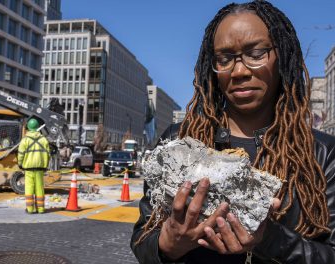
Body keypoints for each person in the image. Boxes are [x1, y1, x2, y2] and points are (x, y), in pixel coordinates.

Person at [131, 1, 335, 263]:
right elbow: (142, 238)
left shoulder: (323, 154)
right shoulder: (178, 141)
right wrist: (168, 244)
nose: (239, 71)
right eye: (224, 59)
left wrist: (269, 239)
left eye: (256, 53)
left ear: (281, 56)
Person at [17, 118, 50, 214]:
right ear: (37, 127)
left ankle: (30, 209)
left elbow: (20, 154)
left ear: (28, 127)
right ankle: (41, 209)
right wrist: (45, 165)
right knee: (39, 188)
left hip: (28, 168)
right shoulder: (44, 140)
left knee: (29, 188)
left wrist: (20, 164)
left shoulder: (25, 140)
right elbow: (48, 154)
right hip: (40, 168)